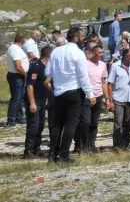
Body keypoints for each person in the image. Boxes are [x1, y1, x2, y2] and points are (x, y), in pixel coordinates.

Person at [45, 26, 98, 164]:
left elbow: (47, 72)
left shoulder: (55, 51)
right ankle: (64, 155)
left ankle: (52, 155)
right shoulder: (78, 53)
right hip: (74, 91)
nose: (82, 39)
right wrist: (90, 94)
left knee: (57, 125)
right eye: (81, 36)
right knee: (70, 124)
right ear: (76, 38)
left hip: (58, 92)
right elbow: (83, 76)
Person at [23, 45, 52, 158]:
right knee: (33, 125)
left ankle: (36, 147)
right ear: (49, 55)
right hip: (34, 100)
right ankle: (28, 150)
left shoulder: (48, 67)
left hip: (42, 99)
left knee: (40, 124)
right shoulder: (36, 67)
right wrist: (32, 103)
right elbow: (30, 86)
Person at [107, 48, 130, 149]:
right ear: (126, 56)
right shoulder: (115, 66)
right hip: (118, 98)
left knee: (128, 122)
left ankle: (125, 144)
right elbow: (109, 84)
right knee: (118, 122)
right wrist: (110, 100)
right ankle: (117, 145)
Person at [82, 44, 108, 152]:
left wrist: (107, 98)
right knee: (86, 121)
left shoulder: (102, 65)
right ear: (93, 53)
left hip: (98, 95)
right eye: (99, 53)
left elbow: (104, 82)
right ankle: (83, 144)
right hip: (87, 96)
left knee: (94, 122)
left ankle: (91, 145)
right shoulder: (85, 64)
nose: (101, 55)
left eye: (102, 53)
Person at [6, 30, 29, 127]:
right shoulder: (15, 49)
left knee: (20, 97)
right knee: (16, 98)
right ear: (22, 40)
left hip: (17, 75)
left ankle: (19, 117)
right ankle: (11, 119)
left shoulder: (16, 48)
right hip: (17, 76)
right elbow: (18, 66)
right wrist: (25, 74)